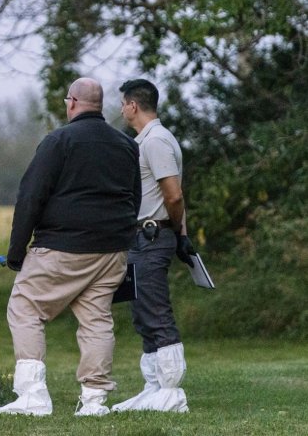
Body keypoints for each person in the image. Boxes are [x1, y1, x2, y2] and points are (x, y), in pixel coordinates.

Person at [0, 78, 141, 417]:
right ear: (99, 105)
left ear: (71, 103)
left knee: (25, 307)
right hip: (112, 249)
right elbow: (135, 196)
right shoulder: (126, 145)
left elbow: (31, 196)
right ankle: (94, 400)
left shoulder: (58, 141)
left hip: (63, 246)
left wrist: (16, 252)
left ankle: (32, 394)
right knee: (96, 318)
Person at [112, 79, 193, 413]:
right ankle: (154, 387)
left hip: (152, 235)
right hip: (142, 238)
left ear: (133, 105)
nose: (121, 109)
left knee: (156, 311)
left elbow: (173, 194)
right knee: (142, 312)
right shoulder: (145, 141)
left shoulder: (156, 141)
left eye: (122, 104)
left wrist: (178, 232)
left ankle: (171, 391)